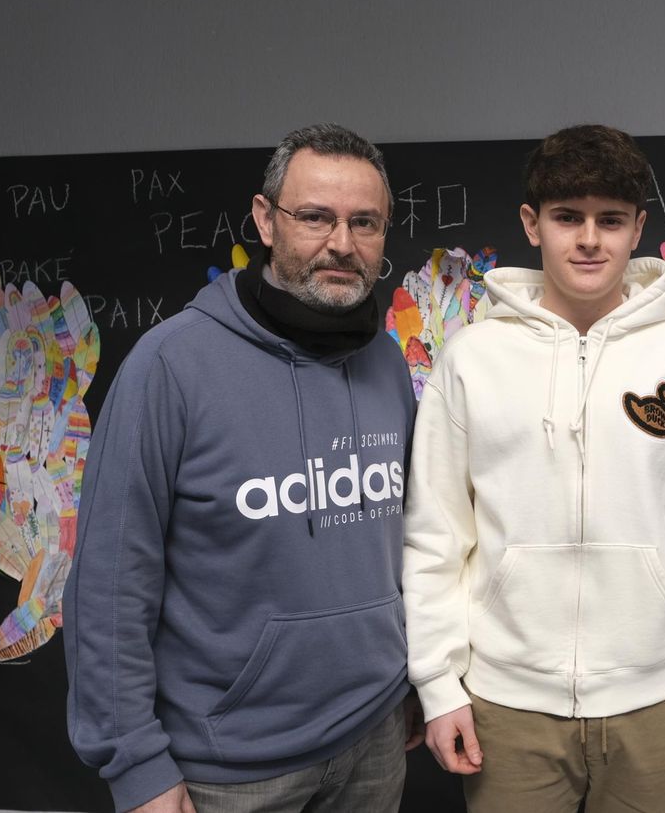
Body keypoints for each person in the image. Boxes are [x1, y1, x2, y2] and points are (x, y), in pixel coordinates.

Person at [403, 124, 665, 813]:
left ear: (637, 231)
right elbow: (435, 538)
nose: (589, 239)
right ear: (531, 224)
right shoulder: (472, 358)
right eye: (568, 218)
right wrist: (439, 684)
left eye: (610, 220)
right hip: (503, 704)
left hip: (656, 699)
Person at [64, 124, 420, 813]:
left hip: (376, 739)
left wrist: (408, 684)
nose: (341, 244)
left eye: (364, 222)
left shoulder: (387, 363)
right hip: (231, 769)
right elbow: (110, 585)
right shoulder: (170, 368)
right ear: (265, 220)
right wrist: (135, 766)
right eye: (314, 217)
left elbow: (406, 543)